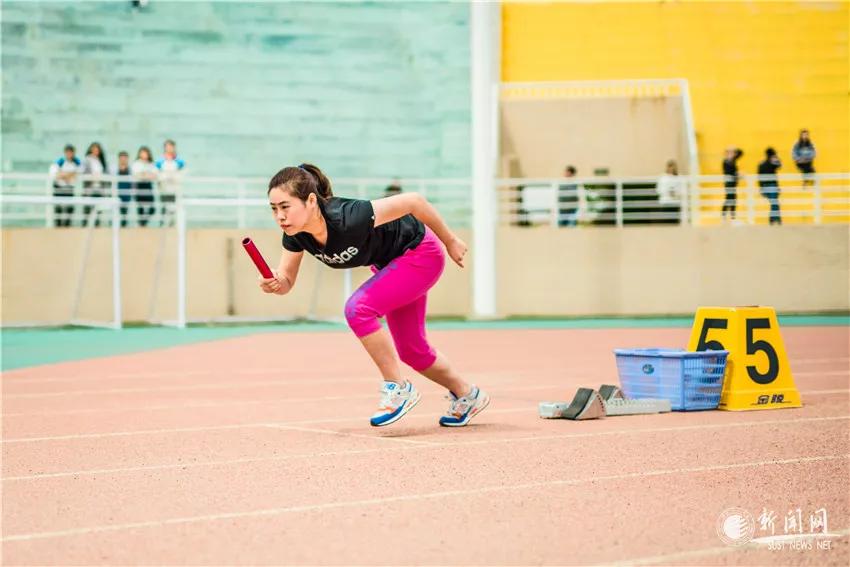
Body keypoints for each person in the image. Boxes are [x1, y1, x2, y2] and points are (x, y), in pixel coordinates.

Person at [258, 163, 489, 427]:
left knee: (358, 308)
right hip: (393, 266)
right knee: (412, 351)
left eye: (285, 206)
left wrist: (450, 240)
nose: (279, 216)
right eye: (274, 209)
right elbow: (286, 282)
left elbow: (414, 201)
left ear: (311, 201)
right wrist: (275, 283)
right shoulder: (295, 235)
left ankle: (397, 387)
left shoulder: (349, 216)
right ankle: (468, 395)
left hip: (420, 253)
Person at [48, 144, 82, 227]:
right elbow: (53, 173)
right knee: (58, 208)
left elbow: (80, 171)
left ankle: (67, 225)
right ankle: (58, 225)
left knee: (70, 208)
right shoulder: (61, 161)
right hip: (59, 187)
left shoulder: (76, 162)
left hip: (69, 188)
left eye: (71, 152)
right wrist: (68, 175)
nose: (69, 154)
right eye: (68, 152)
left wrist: (64, 174)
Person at [155, 139, 185, 225]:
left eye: (171, 146)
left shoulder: (179, 161)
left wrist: (174, 177)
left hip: (175, 188)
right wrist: (164, 177)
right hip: (164, 188)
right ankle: (162, 225)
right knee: (164, 207)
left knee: (174, 207)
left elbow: (182, 173)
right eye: (167, 146)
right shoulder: (160, 161)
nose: (169, 148)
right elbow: (157, 173)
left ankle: (172, 224)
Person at [82, 142, 108, 226]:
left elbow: (106, 173)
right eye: (94, 149)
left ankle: (97, 227)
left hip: (99, 189)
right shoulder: (87, 159)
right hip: (89, 188)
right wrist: (91, 176)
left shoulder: (101, 161)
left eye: (97, 149)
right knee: (87, 210)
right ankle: (85, 227)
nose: (95, 151)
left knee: (98, 210)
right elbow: (84, 172)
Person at [132, 146, 158, 227]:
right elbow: (136, 175)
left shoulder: (151, 164)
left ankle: (144, 222)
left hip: (148, 186)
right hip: (139, 186)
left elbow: (154, 175)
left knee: (152, 208)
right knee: (140, 207)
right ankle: (141, 224)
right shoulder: (136, 163)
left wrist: (144, 174)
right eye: (142, 153)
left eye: (145, 153)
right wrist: (146, 174)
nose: (144, 155)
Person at [758, 147, 782, 225]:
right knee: (775, 203)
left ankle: (774, 219)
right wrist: (777, 157)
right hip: (772, 185)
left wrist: (761, 188)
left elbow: (759, 177)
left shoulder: (761, 164)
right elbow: (780, 165)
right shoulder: (773, 162)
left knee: (774, 203)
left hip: (765, 186)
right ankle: (775, 219)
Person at [111, 151, 133, 227]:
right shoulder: (114, 169)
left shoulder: (130, 169)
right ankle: (114, 226)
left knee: (124, 212)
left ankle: (123, 226)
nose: (123, 160)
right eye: (122, 158)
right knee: (115, 211)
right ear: (119, 159)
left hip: (127, 193)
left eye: (125, 158)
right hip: (117, 192)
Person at [721, 148, 743, 221]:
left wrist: (735, 150)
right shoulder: (725, 161)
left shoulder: (733, 160)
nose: (732, 154)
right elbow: (728, 171)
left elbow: (741, 152)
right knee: (729, 198)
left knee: (733, 199)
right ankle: (724, 215)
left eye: (732, 153)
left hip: (733, 183)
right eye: (730, 153)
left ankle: (732, 216)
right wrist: (736, 174)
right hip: (728, 183)